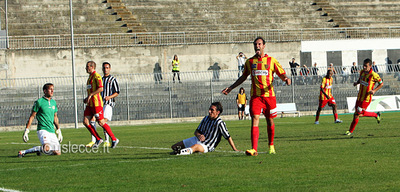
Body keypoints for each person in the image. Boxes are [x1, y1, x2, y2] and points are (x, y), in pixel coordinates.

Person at [222, 37, 291, 156]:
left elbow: (281, 73)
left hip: (269, 96)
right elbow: (243, 77)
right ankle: (254, 149)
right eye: (255, 44)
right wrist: (231, 87)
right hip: (256, 97)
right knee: (254, 119)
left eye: (259, 44)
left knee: (270, 120)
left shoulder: (271, 60)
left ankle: (271, 145)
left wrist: (286, 79)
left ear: (264, 46)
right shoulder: (249, 62)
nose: (257, 46)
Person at [170, 102, 239, 155]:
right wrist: (199, 135)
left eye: (212, 110)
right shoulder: (206, 118)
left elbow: (228, 137)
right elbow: (196, 131)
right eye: (209, 109)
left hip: (207, 145)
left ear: (218, 112)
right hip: (197, 140)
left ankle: (180, 153)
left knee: (196, 147)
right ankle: (185, 150)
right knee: (174, 146)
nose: (209, 111)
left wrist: (234, 149)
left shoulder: (220, 123)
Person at [18, 83, 63, 157]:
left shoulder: (53, 102)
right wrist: (27, 130)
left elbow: (55, 117)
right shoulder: (39, 102)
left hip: (51, 130)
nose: (52, 91)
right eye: (50, 89)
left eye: (53, 89)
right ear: (45, 91)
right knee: (46, 148)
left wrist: (59, 130)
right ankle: (23, 152)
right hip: (43, 130)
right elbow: (32, 116)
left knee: (58, 153)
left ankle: (39, 149)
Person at [83, 61, 119, 148]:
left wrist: (91, 95)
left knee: (101, 122)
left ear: (92, 67)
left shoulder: (97, 76)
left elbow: (101, 88)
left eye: (87, 66)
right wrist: (87, 97)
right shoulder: (90, 77)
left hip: (97, 103)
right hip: (90, 103)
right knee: (86, 121)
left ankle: (114, 139)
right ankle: (98, 139)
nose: (86, 68)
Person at [345, 59, 383, 136]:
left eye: (366, 66)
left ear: (370, 66)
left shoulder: (374, 75)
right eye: (364, 65)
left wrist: (374, 90)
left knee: (358, 114)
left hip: (366, 98)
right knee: (356, 114)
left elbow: (381, 83)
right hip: (359, 96)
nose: (364, 67)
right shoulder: (362, 72)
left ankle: (350, 131)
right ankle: (376, 115)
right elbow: (360, 79)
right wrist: (357, 82)